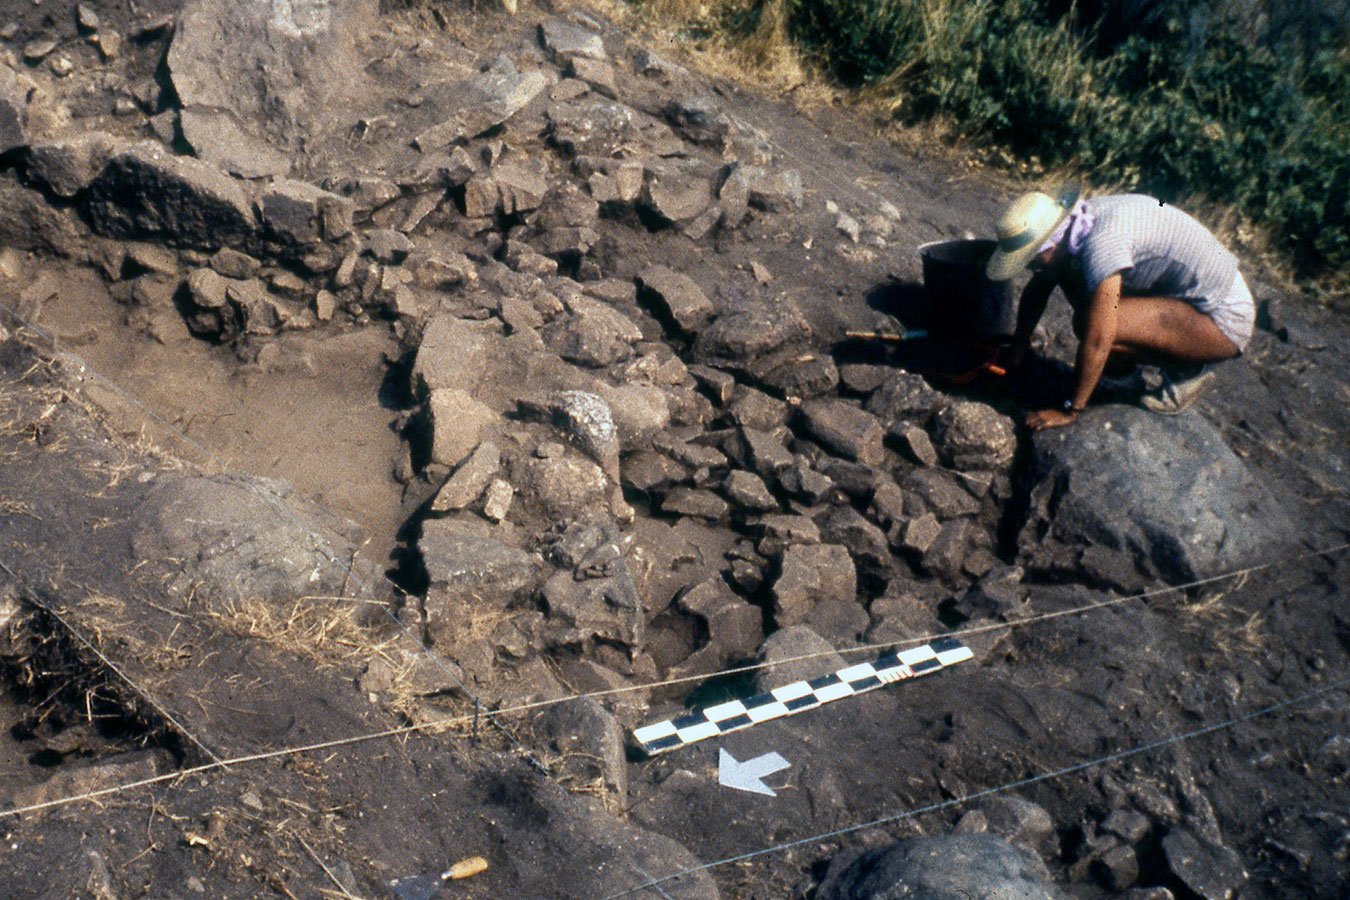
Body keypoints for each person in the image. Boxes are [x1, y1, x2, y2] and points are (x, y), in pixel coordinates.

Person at [986, 187, 1255, 431]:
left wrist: (1070, 410)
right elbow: (1040, 286)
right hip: (1185, 296)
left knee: (1090, 323)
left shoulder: (1102, 246)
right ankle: (1123, 373)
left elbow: (1098, 339)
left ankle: (1186, 369)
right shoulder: (1074, 226)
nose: (1029, 266)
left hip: (1222, 318)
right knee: (1076, 285)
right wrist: (1019, 346)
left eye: (1030, 259)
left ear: (1050, 245)